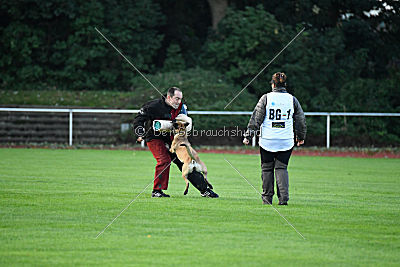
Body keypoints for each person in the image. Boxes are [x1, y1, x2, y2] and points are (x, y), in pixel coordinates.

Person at [133, 87, 217, 198]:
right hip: (154, 137)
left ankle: (204, 190)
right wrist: (140, 133)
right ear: (169, 97)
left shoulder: (181, 107)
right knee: (164, 160)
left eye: (180, 99)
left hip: (172, 138)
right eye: (176, 99)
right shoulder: (153, 106)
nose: (179, 102)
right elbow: (139, 119)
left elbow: (184, 121)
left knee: (186, 162)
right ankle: (157, 191)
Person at [243, 72, 306, 205]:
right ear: (285, 85)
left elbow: (256, 118)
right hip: (286, 140)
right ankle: (283, 199)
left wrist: (248, 135)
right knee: (281, 168)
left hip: (268, 140)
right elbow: (300, 120)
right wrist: (300, 137)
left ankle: (267, 198)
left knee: (266, 169)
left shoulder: (265, 98)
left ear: (273, 84)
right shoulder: (292, 99)